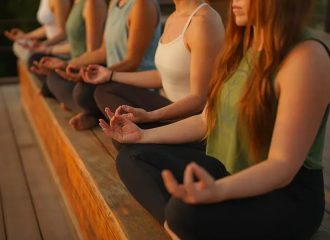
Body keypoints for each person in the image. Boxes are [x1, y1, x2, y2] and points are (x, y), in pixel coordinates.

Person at [98, 0, 330, 239]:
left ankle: (182, 224)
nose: (234, 1)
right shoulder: (243, 44)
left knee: (185, 213)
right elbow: (205, 120)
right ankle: (178, 229)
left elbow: (282, 166)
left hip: (285, 195)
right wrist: (143, 134)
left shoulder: (307, 57)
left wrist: (216, 191)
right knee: (132, 154)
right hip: (228, 167)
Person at [82, 0, 224, 133]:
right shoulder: (174, 17)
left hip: (190, 120)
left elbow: (199, 99)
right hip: (168, 105)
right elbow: (161, 76)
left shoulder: (204, 21)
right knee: (106, 89)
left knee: (129, 154)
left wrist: (150, 116)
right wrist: (110, 75)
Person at [45, 0, 162, 131]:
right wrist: (68, 64)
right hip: (111, 80)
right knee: (55, 76)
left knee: (84, 92)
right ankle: (97, 114)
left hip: (136, 86)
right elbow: (102, 52)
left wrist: (97, 75)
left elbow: (132, 62)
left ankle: (95, 113)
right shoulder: (114, 3)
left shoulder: (142, 5)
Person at [30, 0, 108, 96]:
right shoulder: (76, 3)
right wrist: (47, 49)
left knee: (58, 81)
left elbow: (92, 52)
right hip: (75, 62)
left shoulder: (92, 3)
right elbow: (75, 44)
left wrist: (66, 65)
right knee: (39, 63)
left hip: (84, 66)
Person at [4, 0, 71, 64]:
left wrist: (43, 45)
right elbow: (48, 27)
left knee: (33, 59)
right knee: (17, 45)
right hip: (49, 47)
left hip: (61, 51)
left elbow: (64, 33)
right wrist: (25, 36)